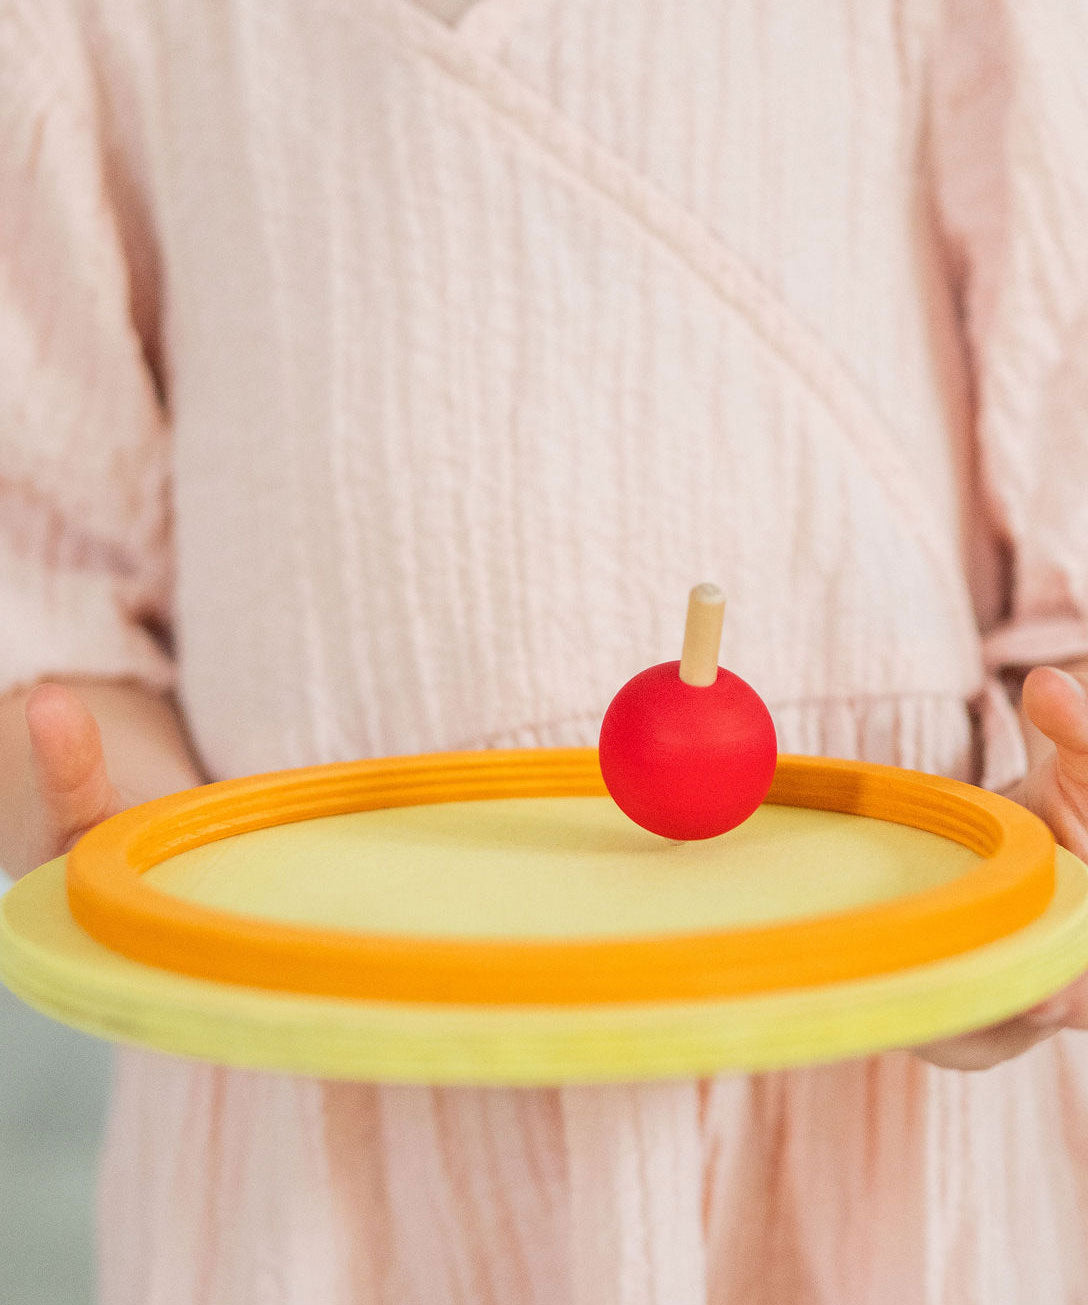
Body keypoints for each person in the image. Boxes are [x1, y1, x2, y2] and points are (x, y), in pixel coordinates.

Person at [2, 0, 1088, 1299]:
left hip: (885, 1106)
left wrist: (1031, 881)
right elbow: (52, 577)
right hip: (330, 1118)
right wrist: (124, 833)